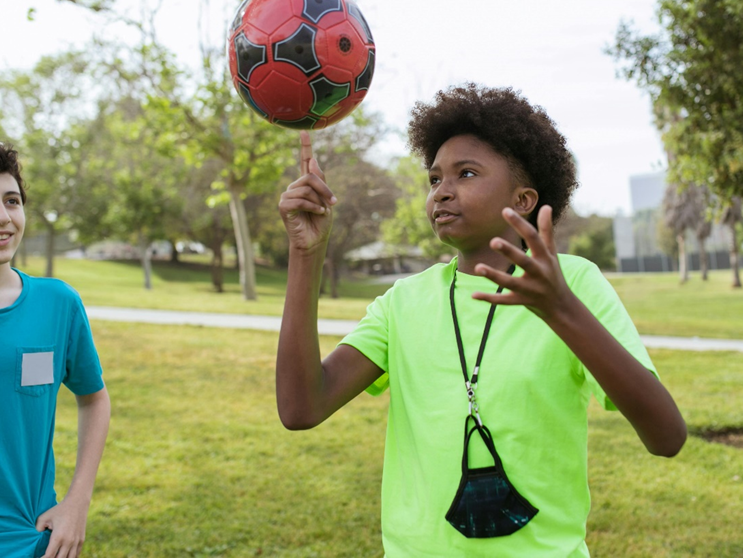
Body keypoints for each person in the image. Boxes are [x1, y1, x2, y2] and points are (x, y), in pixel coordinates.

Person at [276, 84, 686, 557]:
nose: (442, 192)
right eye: (434, 180)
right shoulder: (404, 301)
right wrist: (306, 253)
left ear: (525, 198)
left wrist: (561, 309)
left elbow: (666, 436)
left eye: (465, 174)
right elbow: (301, 408)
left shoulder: (575, 284)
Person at [0, 141, 110, 558]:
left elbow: (94, 399)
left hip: (31, 539)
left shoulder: (58, 303)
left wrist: (76, 503)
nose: (2, 216)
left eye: (12, 201)